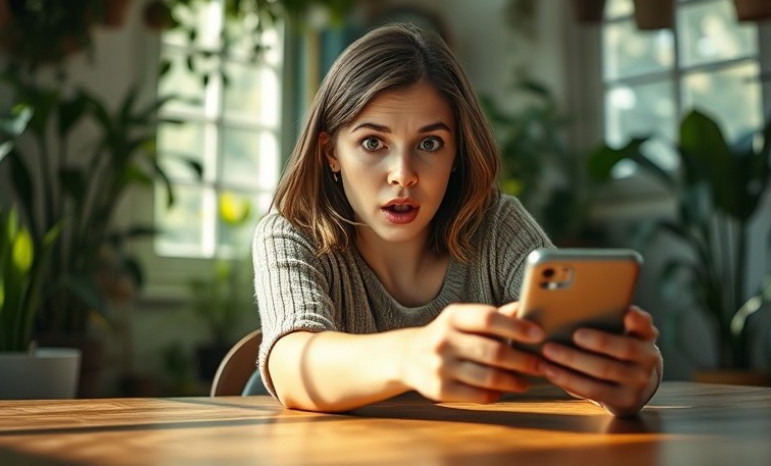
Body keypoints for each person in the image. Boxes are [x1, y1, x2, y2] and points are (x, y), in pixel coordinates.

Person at [253, 23, 662, 417]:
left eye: (430, 143)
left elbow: (584, 350)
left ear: (456, 156)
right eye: (372, 142)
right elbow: (292, 363)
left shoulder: (498, 226)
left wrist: (629, 376)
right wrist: (412, 354)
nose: (403, 173)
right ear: (331, 152)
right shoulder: (290, 231)